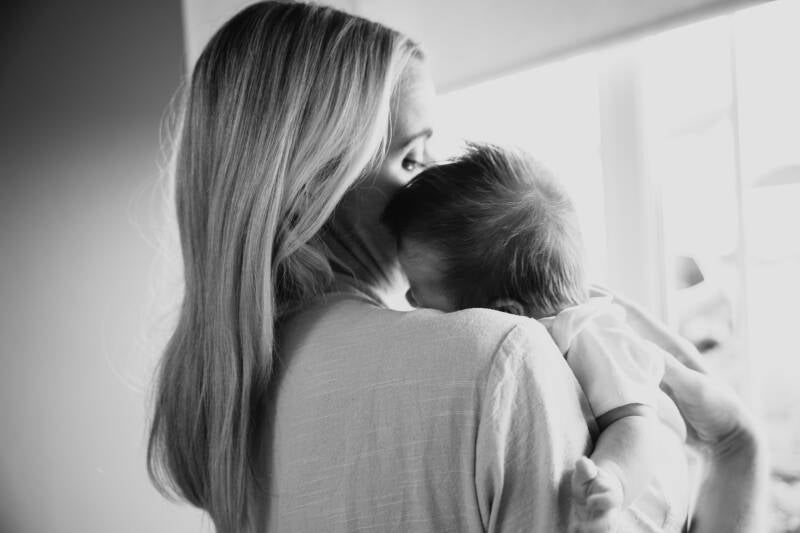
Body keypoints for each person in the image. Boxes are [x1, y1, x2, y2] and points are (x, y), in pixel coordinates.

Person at [146, 2, 767, 533]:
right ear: (312, 188)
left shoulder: (222, 406)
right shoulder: (500, 357)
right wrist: (738, 450)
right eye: (412, 160)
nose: (437, 188)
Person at [382, 143, 690, 530]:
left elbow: (636, 423)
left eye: (419, 291)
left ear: (504, 315)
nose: (410, 301)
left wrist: (611, 481)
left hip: (647, 482)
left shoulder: (590, 333)